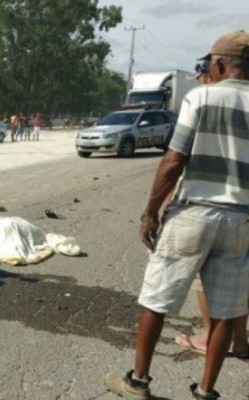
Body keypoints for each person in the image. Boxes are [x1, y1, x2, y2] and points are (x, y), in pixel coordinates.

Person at [104, 30, 249, 400]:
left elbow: (173, 160)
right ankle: (205, 390)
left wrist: (150, 212)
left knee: (158, 300)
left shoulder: (200, 96)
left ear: (218, 65)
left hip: (193, 214)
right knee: (225, 312)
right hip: (240, 221)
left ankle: (138, 382)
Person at [173, 55, 249, 360]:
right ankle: (240, 340)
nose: (202, 82)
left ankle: (207, 336)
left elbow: (176, 160)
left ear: (214, 70)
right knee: (242, 275)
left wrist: (156, 211)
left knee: (207, 277)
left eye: (203, 76)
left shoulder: (204, 102)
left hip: (213, 209)